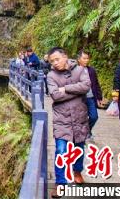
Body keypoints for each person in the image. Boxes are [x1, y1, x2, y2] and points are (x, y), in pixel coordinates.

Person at [47, 47, 91, 198]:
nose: (55, 63)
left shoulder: (79, 70)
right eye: (52, 61)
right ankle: (60, 183)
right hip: (62, 119)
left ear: (65, 56)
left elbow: (86, 86)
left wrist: (65, 88)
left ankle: (77, 171)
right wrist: (76, 92)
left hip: (79, 116)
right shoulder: (51, 75)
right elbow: (55, 96)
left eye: (57, 59)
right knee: (61, 150)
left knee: (79, 147)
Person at [77, 50, 102, 140]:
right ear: (79, 59)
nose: (86, 60)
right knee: (81, 118)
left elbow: (96, 83)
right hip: (80, 98)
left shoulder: (91, 70)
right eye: (84, 58)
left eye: (87, 58)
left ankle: (88, 130)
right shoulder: (74, 70)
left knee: (94, 116)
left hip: (91, 97)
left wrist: (99, 97)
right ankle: (83, 134)